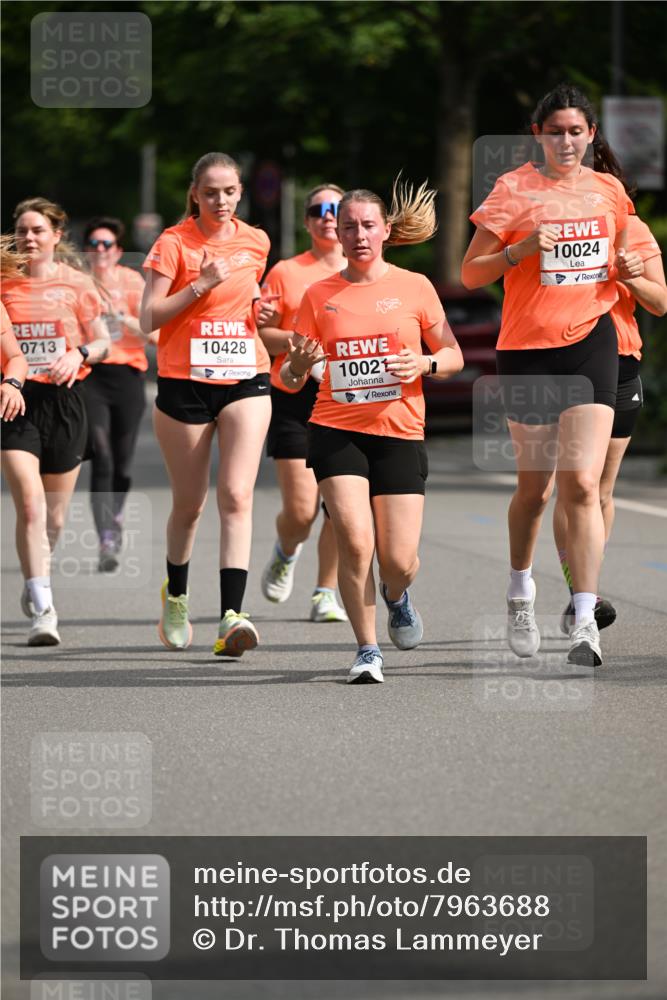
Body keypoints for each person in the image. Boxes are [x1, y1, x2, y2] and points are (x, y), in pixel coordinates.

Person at [462, 83, 633, 667]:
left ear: (591, 136)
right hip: (528, 349)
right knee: (535, 492)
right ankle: (521, 590)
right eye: (555, 130)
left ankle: (585, 619)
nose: (566, 140)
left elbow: (629, 255)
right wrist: (523, 248)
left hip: (592, 340)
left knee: (583, 484)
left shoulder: (609, 191)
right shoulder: (513, 190)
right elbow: (469, 274)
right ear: (538, 135)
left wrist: (628, 266)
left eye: (576, 131)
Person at [281, 179, 463, 683]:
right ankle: (367, 649)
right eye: (348, 227)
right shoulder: (319, 294)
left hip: (400, 430)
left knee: (399, 560)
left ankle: (397, 596)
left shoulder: (415, 286)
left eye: (367, 225)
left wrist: (423, 362)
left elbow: (454, 355)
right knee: (355, 542)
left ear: (385, 230)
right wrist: (296, 365)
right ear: (335, 235)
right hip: (336, 429)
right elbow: (291, 376)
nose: (358, 234)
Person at [141, 151, 272, 656]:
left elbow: (253, 301)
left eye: (230, 191)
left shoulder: (257, 240)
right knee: (190, 505)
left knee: (237, 495)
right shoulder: (173, 243)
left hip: (246, 374)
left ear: (241, 193)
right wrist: (201, 284)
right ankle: (175, 594)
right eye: (211, 192)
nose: (221, 200)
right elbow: (148, 318)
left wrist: (266, 310)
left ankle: (231, 618)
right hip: (184, 383)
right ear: (195, 193)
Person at [554, 196, 667, 633]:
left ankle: (587, 588)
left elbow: (659, 302)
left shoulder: (634, 230)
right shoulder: (550, 223)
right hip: (570, 363)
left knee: (599, 490)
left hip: (621, 362)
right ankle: (582, 593)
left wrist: (632, 277)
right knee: (574, 486)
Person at [1, 199, 110, 645]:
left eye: (38, 231)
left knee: (55, 517)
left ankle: (36, 575)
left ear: (56, 235)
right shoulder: (3, 283)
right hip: (15, 399)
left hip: (66, 401)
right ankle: (43, 606)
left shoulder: (78, 285)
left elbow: (103, 340)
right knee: (30, 504)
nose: (29, 238)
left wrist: (78, 353)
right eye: (23, 230)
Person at [258, 184, 348, 623]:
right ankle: (286, 550)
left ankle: (324, 591)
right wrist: (302, 344)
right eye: (318, 210)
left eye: (336, 208)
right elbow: (263, 332)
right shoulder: (286, 272)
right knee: (301, 509)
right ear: (307, 220)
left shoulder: (365, 268)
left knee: (338, 505)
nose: (327, 216)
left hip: (347, 395)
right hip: (294, 393)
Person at [81, 216, 158, 572]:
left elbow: (154, 334)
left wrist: (123, 317)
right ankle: (106, 539)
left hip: (128, 374)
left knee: (123, 466)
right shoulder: (78, 285)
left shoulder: (131, 281)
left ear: (118, 250)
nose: (100, 250)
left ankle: (117, 513)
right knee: (103, 456)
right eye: (94, 244)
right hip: (91, 376)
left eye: (106, 244)